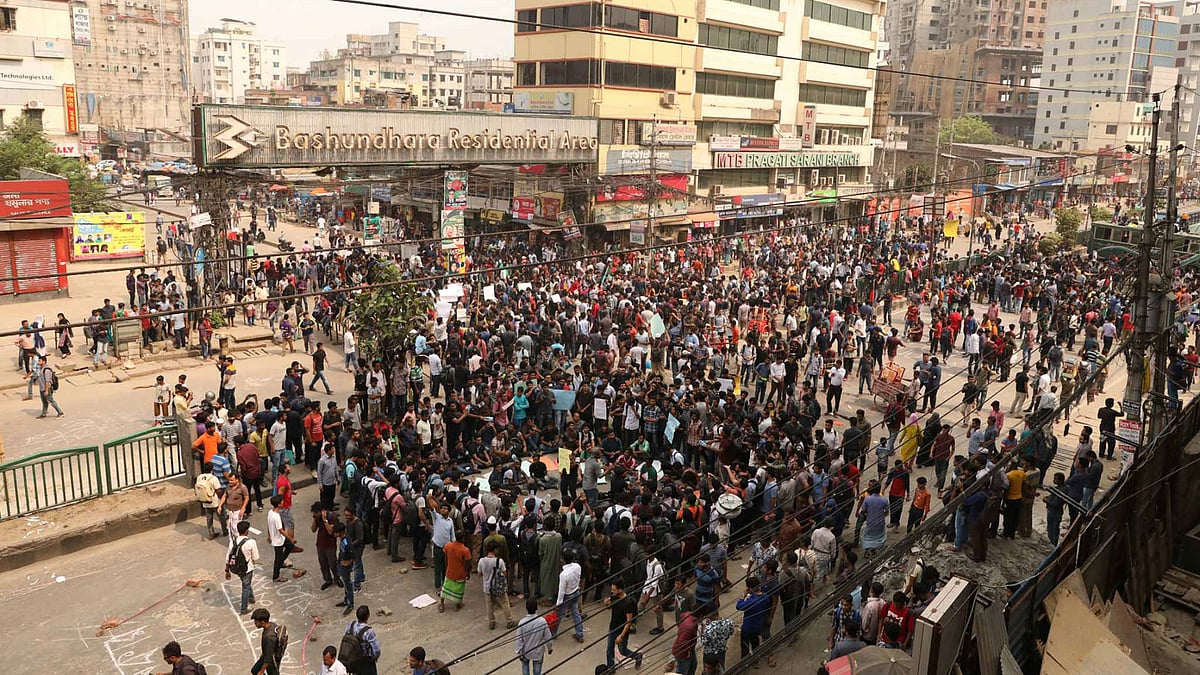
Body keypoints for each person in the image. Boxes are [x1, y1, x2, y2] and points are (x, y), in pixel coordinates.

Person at [604, 581, 644, 670]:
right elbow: (609, 607)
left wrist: (621, 636)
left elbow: (628, 622)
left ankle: (637, 656)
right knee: (609, 649)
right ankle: (611, 668)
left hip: (622, 630)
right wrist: (606, 603)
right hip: (613, 627)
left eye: (614, 590)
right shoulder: (614, 597)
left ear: (620, 590)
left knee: (623, 651)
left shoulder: (628, 603)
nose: (612, 591)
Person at [480, 540, 517, 630]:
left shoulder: (481, 561)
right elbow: (504, 573)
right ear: (495, 550)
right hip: (498, 587)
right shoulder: (499, 561)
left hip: (487, 587)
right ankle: (509, 621)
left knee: (489, 605)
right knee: (505, 603)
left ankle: (491, 622)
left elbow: (479, 573)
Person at [225, 520, 260, 614]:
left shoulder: (233, 542)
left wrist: (227, 570)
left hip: (236, 568)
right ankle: (244, 608)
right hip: (247, 568)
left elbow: (228, 557)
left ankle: (251, 597)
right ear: (246, 531)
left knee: (246, 583)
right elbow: (256, 557)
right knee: (246, 586)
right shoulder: (251, 542)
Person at [734, 576, 771, 659]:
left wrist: (743, 597)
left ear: (750, 588)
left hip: (748, 626)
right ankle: (756, 659)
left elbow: (739, 606)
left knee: (745, 645)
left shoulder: (751, 601)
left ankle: (745, 661)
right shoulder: (765, 597)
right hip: (758, 625)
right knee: (755, 642)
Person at [515, 598, 554, 675]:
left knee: (525, 666)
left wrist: (519, 652)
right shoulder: (542, 621)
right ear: (536, 608)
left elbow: (519, 639)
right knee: (537, 671)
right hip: (538, 652)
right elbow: (548, 637)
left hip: (525, 651)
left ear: (526, 608)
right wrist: (550, 648)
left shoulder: (522, 622)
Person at [344, 605, 381, 674]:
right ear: (368, 616)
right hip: (366, 662)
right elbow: (376, 651)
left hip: (352, 660)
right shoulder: (369, 632)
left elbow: (345, 638)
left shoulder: (350, 625)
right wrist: (374, 658)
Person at [268, 495, 296, 582]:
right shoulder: (276, 516)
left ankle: (281, 562)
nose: (283, 503)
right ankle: (276, 576)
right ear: (279, 504)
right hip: (278, 540)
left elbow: (268, 524)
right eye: (282, 502)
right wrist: (291, 538)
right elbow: (281, 531)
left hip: (279, 538)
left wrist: (269, 535)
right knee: (278, 557)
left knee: (290, 546)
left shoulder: (270, 512)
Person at [440, 535, 471, 612]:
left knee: (445, 588)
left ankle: (441, 603)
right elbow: (468, 564)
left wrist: (447, 565)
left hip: (450, 571)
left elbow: (445, 557)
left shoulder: (448, 545)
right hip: (460, 573)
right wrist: (467, 573)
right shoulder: (465, 550)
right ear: (463, 538)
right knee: (459, 589)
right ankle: (457, 605)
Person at [250, 608, 287, 675]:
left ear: (262, 622)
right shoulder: (271, 625)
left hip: (272, 662)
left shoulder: (269, 638)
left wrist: (262, 671)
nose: (254, 623)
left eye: (256, 621)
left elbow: (269, 658)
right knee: (255, 670)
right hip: (266, 655)